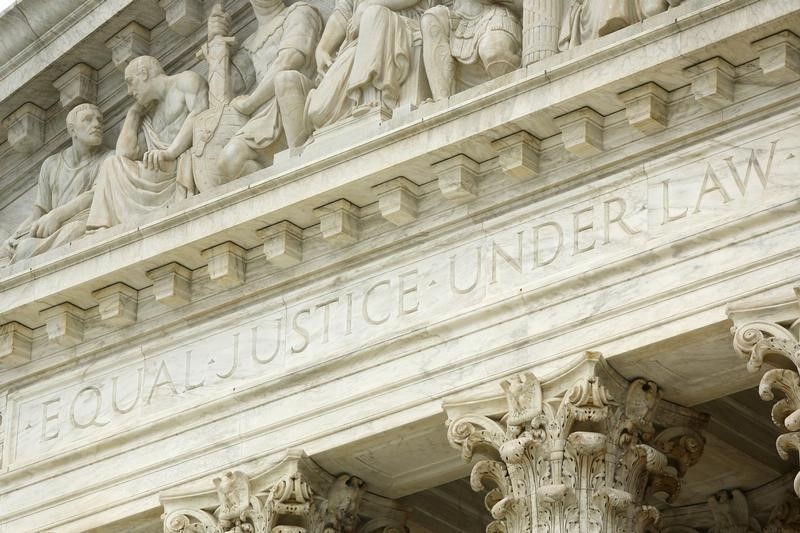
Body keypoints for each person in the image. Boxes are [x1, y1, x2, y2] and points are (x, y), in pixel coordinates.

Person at [278, 0, 432, 148]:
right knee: (318, 112)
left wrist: (369, 5)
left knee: (374, 14)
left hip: (400, 29)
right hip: (357, 45)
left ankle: (371, 103)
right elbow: (343, 12)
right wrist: (323, 48)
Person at [87, 56, 208, 229]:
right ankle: (103, 229)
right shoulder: (151, 112)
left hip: (178, 164)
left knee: (111, 165)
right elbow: (123, 153)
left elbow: (199, 112)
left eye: (130, 82)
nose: (129, 92)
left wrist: (171, 152)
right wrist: (133, 114)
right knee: (111, 164)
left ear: (143, 74)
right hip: (159, 172)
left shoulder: (185, 81)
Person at [216, 0, 323, 180]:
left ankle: (302, 163)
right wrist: (216, 45)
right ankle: (280, 193)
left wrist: (250, 103)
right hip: (262, 119)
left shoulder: (299, 12)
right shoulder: (249, 43)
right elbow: (225, 97)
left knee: (284, 79)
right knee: (229, 160)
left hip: (297, 101)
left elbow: (288, 60)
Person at [0, 103, 110, 265]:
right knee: (8, 250)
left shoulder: (109, 158)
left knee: (75, 230)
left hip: (79, 223)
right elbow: (39, 213)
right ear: (72, 130)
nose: (97, 124)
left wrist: (56, 215)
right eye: (88, 120)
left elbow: (95, 194)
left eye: (99, 120)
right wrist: (15, 236)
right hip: (52, 229)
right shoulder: (51, 164)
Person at [420, 0, 521, 100]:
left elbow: (521, 4)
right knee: (430, 18)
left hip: (492, 15)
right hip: (457, 19)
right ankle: (441, 101)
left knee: (493, 55)